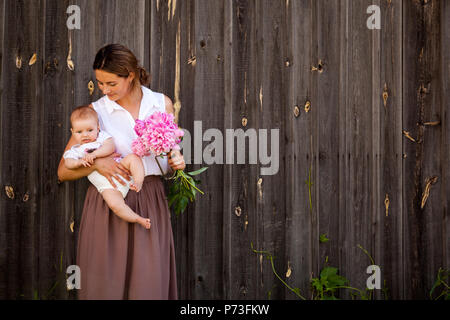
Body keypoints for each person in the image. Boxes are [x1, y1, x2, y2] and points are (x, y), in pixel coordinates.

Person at [57, 44, 185, 300]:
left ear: (131, 75)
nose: (104, 90)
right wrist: (96, 164)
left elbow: (169, 155)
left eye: (111, 83)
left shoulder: (162, 103)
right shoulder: (96, 112)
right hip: (108, 203)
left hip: (149, 201)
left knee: (148, 286)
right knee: (106, 287)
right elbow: (63, 171)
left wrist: (176, 162)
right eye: (100, 83)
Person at [63, 105, 150, 230]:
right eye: (79, 132)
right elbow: (68, 163)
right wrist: (78, 163)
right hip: (108, 186)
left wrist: (95, 155)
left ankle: (138, 181)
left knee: (133, 158)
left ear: (98, 128)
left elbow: (110, 147)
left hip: (121, 167)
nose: (85, 135)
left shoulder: (102, 138)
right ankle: (137, 218)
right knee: (115, 205)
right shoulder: (75, 151)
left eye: (90, 130)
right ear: (72, 132)